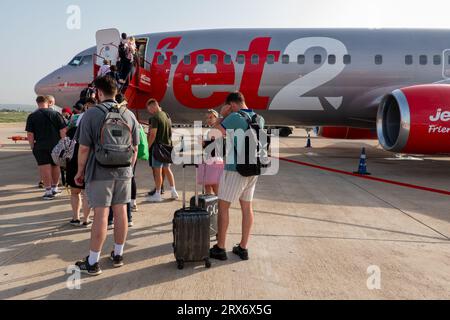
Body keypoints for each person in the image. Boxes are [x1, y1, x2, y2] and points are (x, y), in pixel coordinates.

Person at [74, 76, 140, 276]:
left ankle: (93, 262)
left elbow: (84, 148)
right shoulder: (129, 115)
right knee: (121, 212)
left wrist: (79, 172)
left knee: (101, 215)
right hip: (125, 171)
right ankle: (118, 255)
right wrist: (128, 169)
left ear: (99, 93)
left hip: (100, 171)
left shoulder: (91, 114)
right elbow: (135, 148)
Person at [209, 92, 265, 261]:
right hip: (254, 168)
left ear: (232, 105)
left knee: (223, 207)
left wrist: (221, 116)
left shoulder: (233, 116)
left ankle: (220, 247)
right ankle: (243, 247)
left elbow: (213, 134)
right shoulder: (259, 118)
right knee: (247, 208)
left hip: (235, 169)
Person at [26, 96, 67, 200]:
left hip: (40, 146)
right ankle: (55, 188)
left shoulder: (32, 116)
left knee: (44, 167)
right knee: (55, 166)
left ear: (37, 103)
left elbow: (30, 134)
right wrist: (64, 145)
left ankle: (48, 191)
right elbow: (63, 131)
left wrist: (32, 146)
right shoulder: (56, 114)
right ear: (47, 102)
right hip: (56, 145)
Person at [145, 99, 179, 203]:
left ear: (153, 106)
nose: (149, 111)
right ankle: (174, 191)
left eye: (149, 109)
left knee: (157, 171)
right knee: (167, 169)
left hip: (158, 148)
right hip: (168, 147)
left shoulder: (155, 117)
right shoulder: (166, 115)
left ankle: (158, 194)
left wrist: (148, 147)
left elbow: (153, 135)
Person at [66, 104, 92, 227]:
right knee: (86, 193)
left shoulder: (71, 131)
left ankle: (75, 218)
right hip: (88, 164)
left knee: (75, 193)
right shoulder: (92, 132)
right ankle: (86, 219)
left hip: (72, 164)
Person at [198, 109, 224, 195]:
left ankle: (219, 205)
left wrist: (203, 142)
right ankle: (209, 205)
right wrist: (203, 143)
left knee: (214, 185)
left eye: (211, 117)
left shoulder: (217, 129)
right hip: (210, 159)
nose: (208, 119)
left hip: (214, 160)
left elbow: (213, 146)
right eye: (207, 118)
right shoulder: (211, 129)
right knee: (207, 184)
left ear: (216, 118)